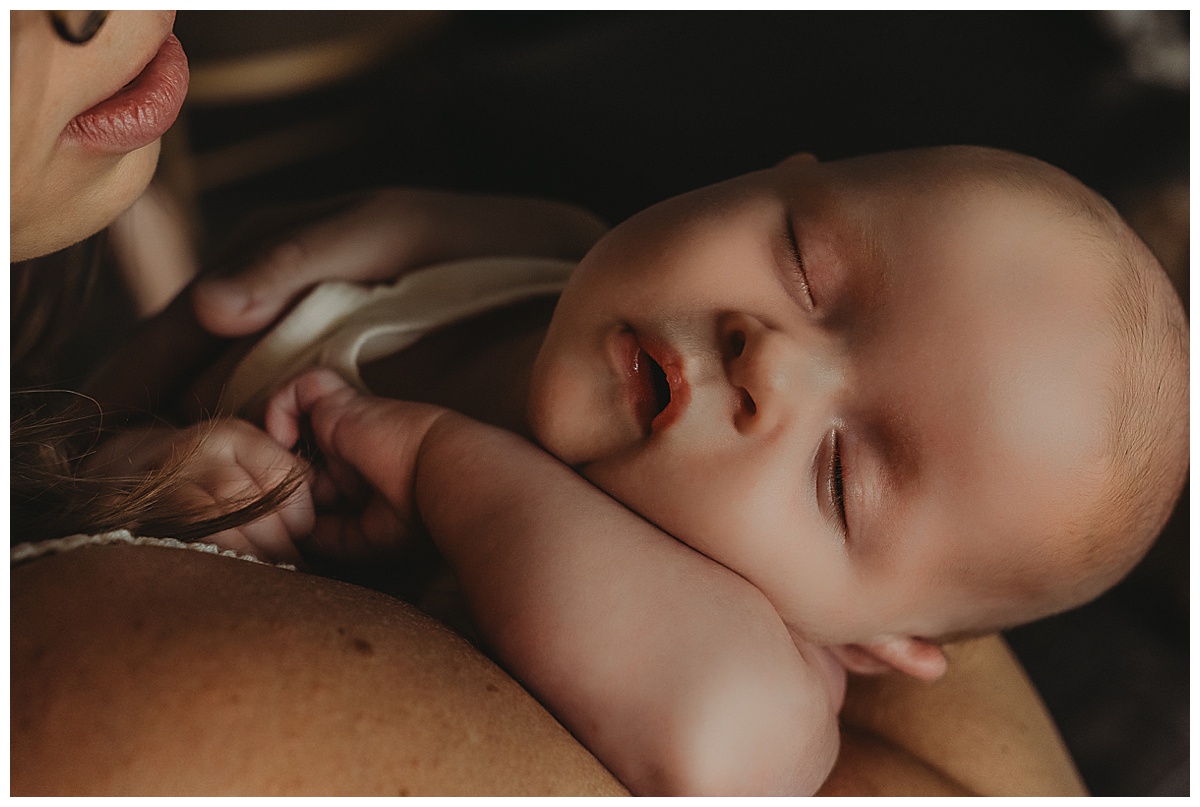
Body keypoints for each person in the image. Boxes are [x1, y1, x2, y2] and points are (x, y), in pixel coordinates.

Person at [10, 10, 1093, 797]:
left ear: (873, 645)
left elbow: (720, 743)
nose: (768, 362)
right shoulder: (527, 266)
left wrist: (437, 456)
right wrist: (141, 464)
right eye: (805, 268)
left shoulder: (755, 647)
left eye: (841, 477)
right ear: (760, 175)